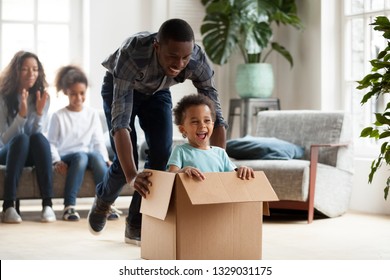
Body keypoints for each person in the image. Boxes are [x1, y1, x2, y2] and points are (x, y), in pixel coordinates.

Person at [87, 18, 227, 245]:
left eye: (185, 57)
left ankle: (136, 221)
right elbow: (120, 123)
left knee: (162, 155)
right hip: (122, 88)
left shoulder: (197, 60)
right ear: (157, 47)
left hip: (159, 91)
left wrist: (219, 164)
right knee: (125, 166)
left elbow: (217, 117)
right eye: (172, 56)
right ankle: (103, 200)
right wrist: (132, 176)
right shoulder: (132, 53)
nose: (179, 63)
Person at [47, 65, 118, 221]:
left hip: (86, 156)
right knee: (81, 156)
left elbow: (98, 140)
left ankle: (106, 204)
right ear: (65, 92)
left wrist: (105, 159)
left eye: (82, 93)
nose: (78, 98)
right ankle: (69, 207)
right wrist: (56, 161)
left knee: (94, 156)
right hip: (67, 156)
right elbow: (51, 143)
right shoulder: (58, 116)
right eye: (73, 94)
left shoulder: (92, 114)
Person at [0, 51, 56, 223]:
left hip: (30, 152)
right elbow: (4, 139)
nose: (31, 73)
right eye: (25, 69)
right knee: (21, 139)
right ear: (16, 71)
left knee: (38, 139)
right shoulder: (3, 97)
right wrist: (21, 116)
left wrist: (38, 114)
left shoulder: (42, 97)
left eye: (35, 69)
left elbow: (36, 134)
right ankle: (8, 206)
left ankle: (48, 204)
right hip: (7, 153)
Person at [167, 94, 255, 180]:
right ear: (183, 129)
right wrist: (183, 171)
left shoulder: (220, 153)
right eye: (195, 122)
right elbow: (171, 176)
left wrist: (242, 170)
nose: (202, 126)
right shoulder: (180, 151)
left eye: (207, 120)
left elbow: (233, 178)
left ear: (212, 125)